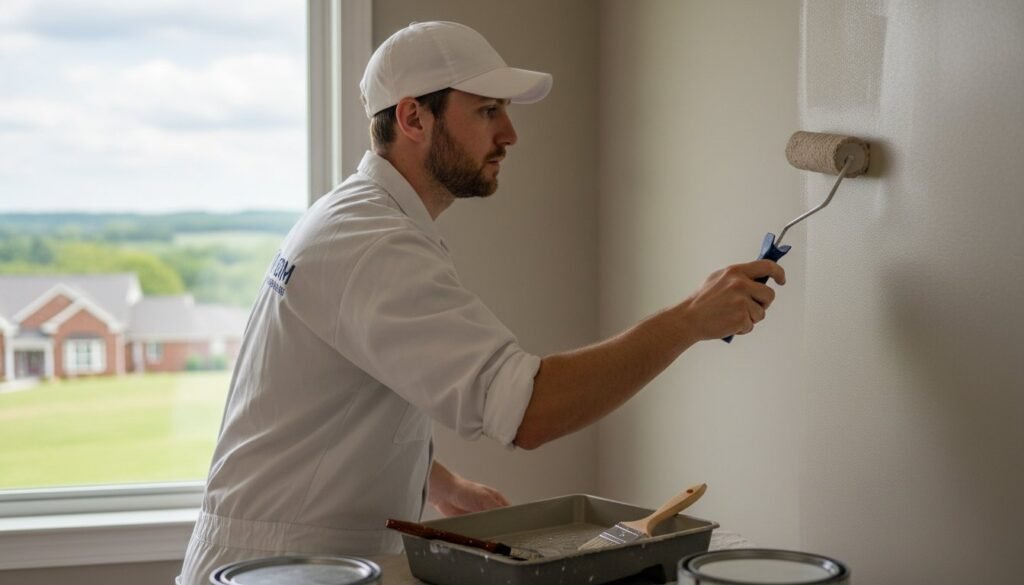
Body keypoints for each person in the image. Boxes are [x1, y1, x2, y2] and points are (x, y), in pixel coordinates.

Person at [178, 20, 784, 584]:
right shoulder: (374, 244)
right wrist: (689, 321)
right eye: (487, 111)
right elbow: (529, 411)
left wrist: (436, 481)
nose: (510, 134)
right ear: (414, 117)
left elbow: (334, 393)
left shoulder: (360, 220)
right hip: (282, 569)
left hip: (289, 561)